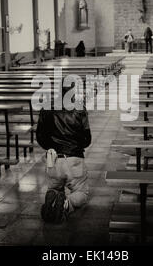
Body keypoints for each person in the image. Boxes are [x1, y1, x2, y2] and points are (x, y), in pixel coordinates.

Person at [36, 80, 91, 222]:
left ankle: (53, 199)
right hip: (73, 159)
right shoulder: (79, 108)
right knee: (82, 193)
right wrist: (76, 145)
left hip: (52, 159)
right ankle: (66, 205)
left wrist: (51, 149)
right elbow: (87, 139)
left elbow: (40, 137)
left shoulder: (46, 107)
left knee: (54, 188)